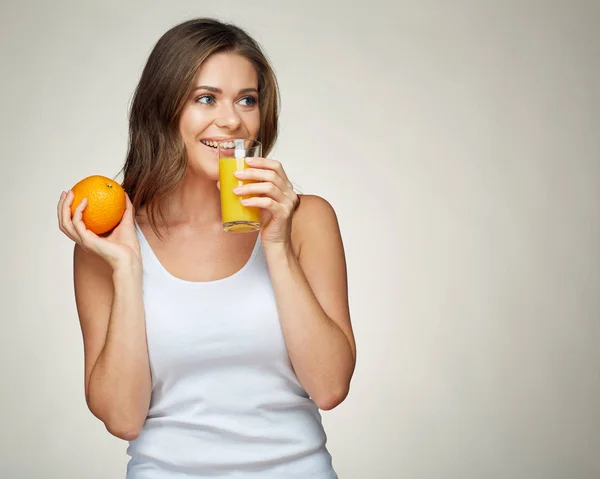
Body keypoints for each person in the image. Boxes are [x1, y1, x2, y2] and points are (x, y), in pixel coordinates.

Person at [56, 17, 356, 478]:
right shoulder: (109, 236)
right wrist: (127, 268)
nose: (232, 119)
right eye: (206, 98)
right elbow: (122, 417)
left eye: (246, 100)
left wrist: (275, 243)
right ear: (164, 110)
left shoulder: (305, 219)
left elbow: (331, 387)